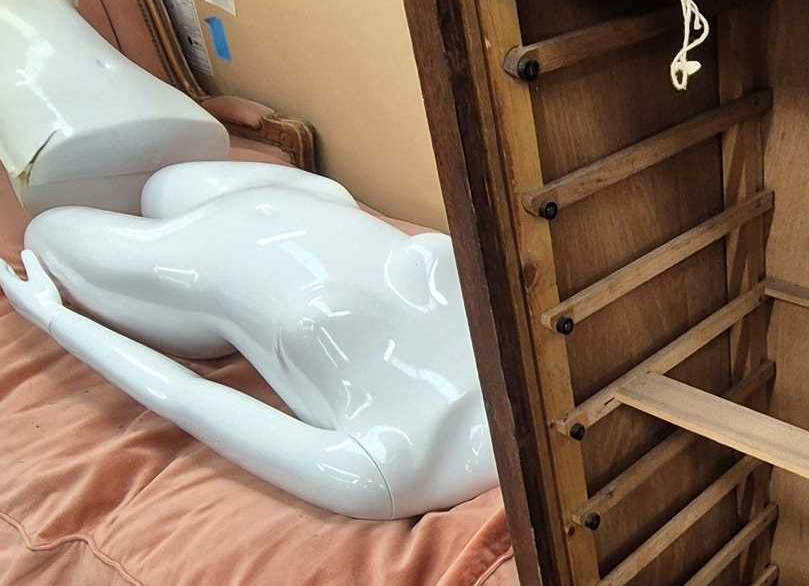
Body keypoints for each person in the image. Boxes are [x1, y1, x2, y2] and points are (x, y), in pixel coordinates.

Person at [0, 162, 497, 519]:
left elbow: (185, 396)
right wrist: (326, 189)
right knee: (160, 184)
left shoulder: (382, 474)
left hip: (186, 264)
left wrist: (52, 319)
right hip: (306, 199)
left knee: (44, 230)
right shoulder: (549, 375)